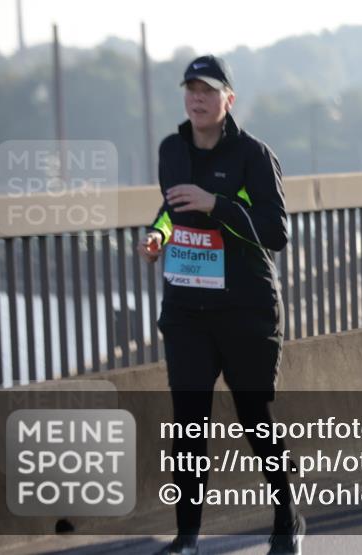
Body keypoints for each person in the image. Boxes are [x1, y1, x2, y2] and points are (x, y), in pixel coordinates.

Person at [137, 55, 302, 555]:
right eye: (190, 89)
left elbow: (276, 232)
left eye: (208, 90)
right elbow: (171, 207)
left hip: (246, 309)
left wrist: (217, 204)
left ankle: (286, 517)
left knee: (256, 418)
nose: (197, 98)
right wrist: (157, 234)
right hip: (187, 311)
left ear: (228, 99)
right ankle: (187, 537)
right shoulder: (171, 149)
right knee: (188, 424)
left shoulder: (253, 154)